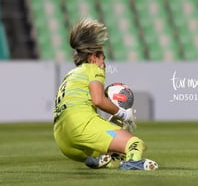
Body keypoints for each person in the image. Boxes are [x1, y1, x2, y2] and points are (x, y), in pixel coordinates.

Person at [53, 18, 158, 170]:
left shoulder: (70, 75)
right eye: (102, 57)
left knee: (116, 152)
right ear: (92, 57)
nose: (104, 63)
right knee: (135, 144)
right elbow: (98, 100)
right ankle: (134, 162)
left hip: (63, 140)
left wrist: (112, 120)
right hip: (81, 126)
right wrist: (123, 114)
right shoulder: (93, 69)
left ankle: (104, 160)